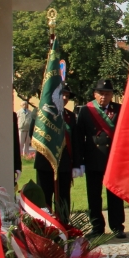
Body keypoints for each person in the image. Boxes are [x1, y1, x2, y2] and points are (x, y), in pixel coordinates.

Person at [74, 79, 126, 238]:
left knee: (115, 194)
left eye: (107, 93)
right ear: (94, 94)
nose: (104, 96)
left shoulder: (119, 109)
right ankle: (97, 227)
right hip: (93, 158)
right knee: (94, 195)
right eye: (101, 93)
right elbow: (78, 138)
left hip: (113, 159)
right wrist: (79, 162)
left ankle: (117, 226)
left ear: (112, 95)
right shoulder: (86, 111)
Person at [34, 82, 77, 212]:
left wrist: (76, 164)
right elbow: (33, 134)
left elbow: (76, 141)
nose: (65, 98)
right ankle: (45, 228)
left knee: (63, 199)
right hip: (45, 162)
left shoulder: (70, 116)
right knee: (44, 198)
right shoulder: (41, 113)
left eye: (67, 95)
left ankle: (63, 227)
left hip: (64, 164)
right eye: (62, 94)